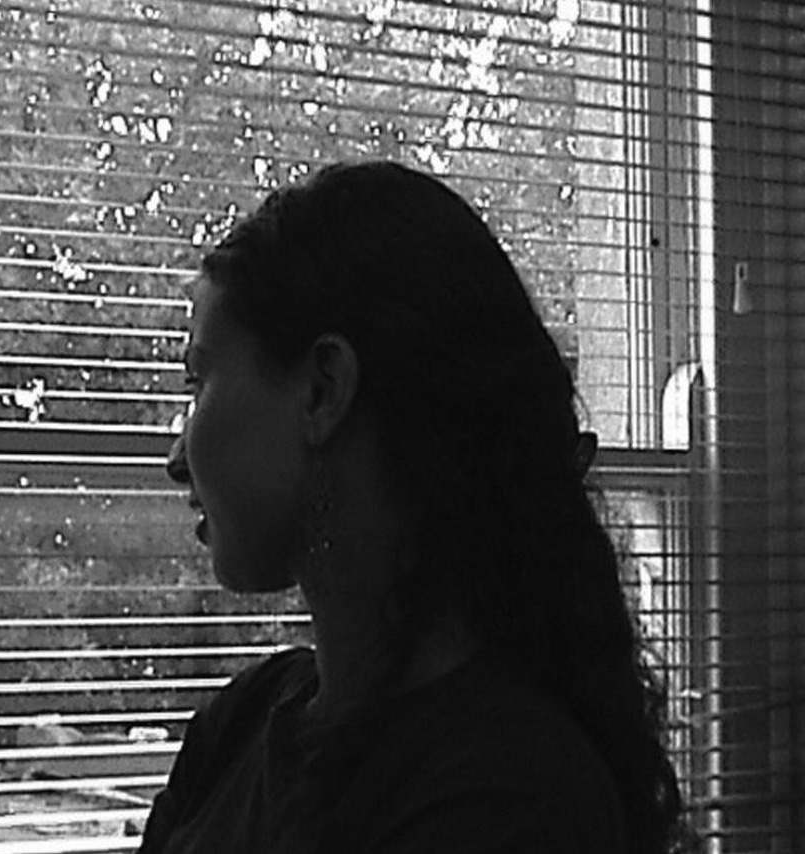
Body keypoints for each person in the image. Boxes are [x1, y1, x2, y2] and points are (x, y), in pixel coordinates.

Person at [143, 161, 686, 854]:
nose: (176, 459)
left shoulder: (511, 797)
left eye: (199, 380)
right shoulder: (240, 724)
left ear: (322, 390)